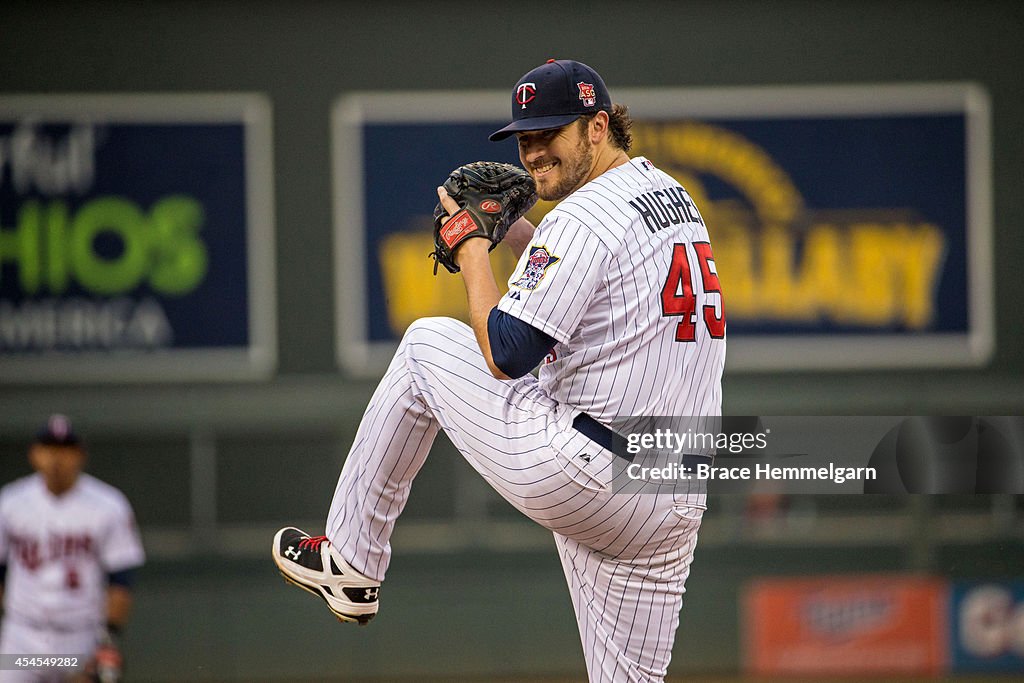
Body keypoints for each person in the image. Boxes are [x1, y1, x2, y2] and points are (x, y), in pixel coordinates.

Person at [273, 58, 726, 682]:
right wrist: (519, 235)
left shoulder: (585, 216)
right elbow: (594, 282)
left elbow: (507, 352)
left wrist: (470, 245)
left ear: (597, 127)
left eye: (550, 133)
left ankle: (352, 560)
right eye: (525, 137)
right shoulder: (671, 197)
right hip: (672, 493)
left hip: (591, 470)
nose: (533, 151)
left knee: (428, 345)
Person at [0, 415, 145, 683]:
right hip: (22, 637)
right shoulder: (10, 502)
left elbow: (122, 577)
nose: (57, 459)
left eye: (66, 450)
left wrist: (108, 639)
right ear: (35, 454)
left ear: (80, 455)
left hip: (79, 638)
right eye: (49, 449)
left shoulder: (108, 504)